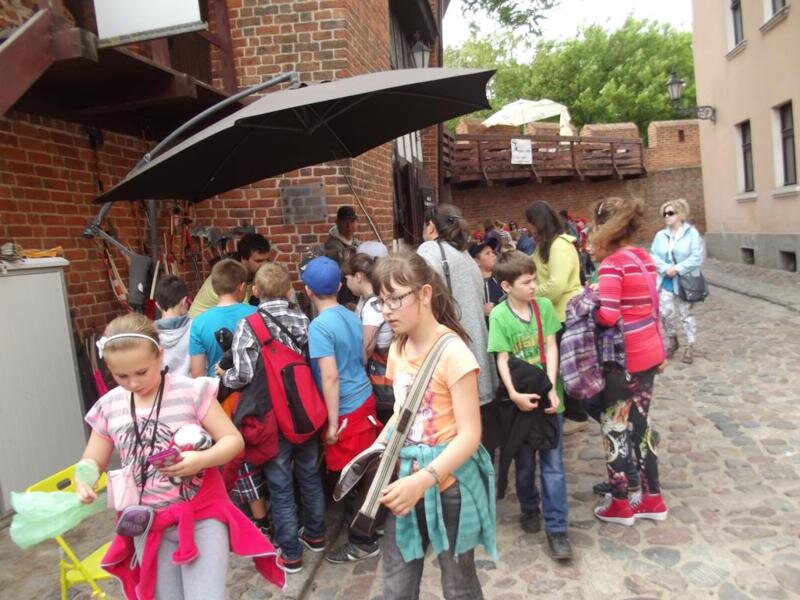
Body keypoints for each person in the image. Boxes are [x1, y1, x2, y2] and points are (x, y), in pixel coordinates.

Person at [74, 313, 284, 599]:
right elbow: (93, 459)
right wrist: (84, 479)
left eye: (142, 372)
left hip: (201, 517)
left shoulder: (190, 392)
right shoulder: (109, 406)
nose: (133, 383)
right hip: (148, 524)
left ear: (160, 356)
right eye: (121, 376)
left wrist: (201, 460)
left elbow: (233, 441)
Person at [372, 251, 496, 600]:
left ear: (424, 294)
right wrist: (375, 449)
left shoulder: (454, 353)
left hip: (450, 486)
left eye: (395, 299)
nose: (387, 310)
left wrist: (423, 480)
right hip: (405, 479)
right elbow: (402, 413)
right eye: (381, 301)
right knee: (396, 586)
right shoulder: (398, 347)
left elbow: (470, 435)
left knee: (459, 586)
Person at [218, 262, 326, 574]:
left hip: (271, 415)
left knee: (280, 485)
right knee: (309, 476)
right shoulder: (303, 319)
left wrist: (225, 375)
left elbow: (243, 375)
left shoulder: (249, 323)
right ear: (288, 290)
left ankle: (290, 553)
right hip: (304, 411)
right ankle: (316, 535)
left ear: (255, 291)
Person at [487, 252, 572, 560]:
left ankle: (557, 528)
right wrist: (513, 394)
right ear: (507, 286)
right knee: (524, 465)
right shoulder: (499, 315)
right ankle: (529, 506)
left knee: (553, 466)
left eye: (535, 279)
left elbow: (551, 345)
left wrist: (552, 389)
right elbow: (501, 358)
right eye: (527, 282)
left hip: (548, 400)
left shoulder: (544, 307)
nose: (534, 286)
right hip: (520, 403)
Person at [591, 196, 668, 526]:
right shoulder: (643, 257)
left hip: (623, 358)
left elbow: (609, 316)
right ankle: (653, 498)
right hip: (649, 351)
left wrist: (590, 302)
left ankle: (620, 503)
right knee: (641, 425)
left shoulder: (612, 264)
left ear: (602, 226)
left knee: (614, 427)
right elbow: (651, 305)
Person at [301, 256, 382, 564]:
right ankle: (369, 526)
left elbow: (330, 376)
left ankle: (363, 540)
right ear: (338, 286)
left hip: (345, 408)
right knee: (364, 470)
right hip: (364, 397)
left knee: (350, 478)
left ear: (307, 290)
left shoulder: (319, 327)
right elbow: (362, 355)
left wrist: (333, 424)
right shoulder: (351, 314)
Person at [418, 203, 498, 407]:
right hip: (478, 352)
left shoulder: (430, 249)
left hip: (452, 354)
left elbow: (419, 297)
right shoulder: (465, 256)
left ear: (431, 226)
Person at [526, 201, 586, 432]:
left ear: (537, 223)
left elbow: (556, 286)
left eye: (530, 223)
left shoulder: (559, 246)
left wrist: (529, 294)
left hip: (565, 314)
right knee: (561, 365)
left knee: (567, 366)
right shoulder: (546, 245)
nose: (528, 228)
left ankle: (577, 415)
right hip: (555, 313)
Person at [343, 251, 395, 424]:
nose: (346, 284)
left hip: (380, 377)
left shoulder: (372, 306)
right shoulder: (368, 299)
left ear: (358, 277)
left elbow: (366, 348)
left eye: (347, 279)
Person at [650, 198, 704, 364]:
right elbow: (653, 255)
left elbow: (696, 257)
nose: (666, 216)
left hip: (685, 281)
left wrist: (678, 268)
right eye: (664, 214)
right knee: (666, 313)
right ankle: (672, 340)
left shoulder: (692, 234)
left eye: (670, 213)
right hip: (665, 280)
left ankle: (690, 345)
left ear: (680, 215)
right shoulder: (660, 235)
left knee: (686, 313)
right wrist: (665, 268)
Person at [189, 259, 256, 377]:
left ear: (215, 288)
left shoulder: (199, 322)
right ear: (242, 287)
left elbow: (197, 374)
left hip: (217, 385)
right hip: (253, 384)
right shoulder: (257, 314)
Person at [188, 233, 271, 318]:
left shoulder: (255, 273)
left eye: (267, 260)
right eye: (258, 261)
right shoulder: (229, 275)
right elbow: (244, 312)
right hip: (200, 321)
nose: (264, 265)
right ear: (243, 259)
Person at [153, 275, 192, 377]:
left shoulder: (149, 333)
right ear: (184, 301)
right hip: (191, 385)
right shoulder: (196, 327)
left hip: (163, 386)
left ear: (157, 305)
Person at [468, 238, 504, 321]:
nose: (493, 255)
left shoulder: (502, 277)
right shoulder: (472, 285)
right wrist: (481, 310)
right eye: (487, 253)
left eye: (492, 252)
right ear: (477, 261)